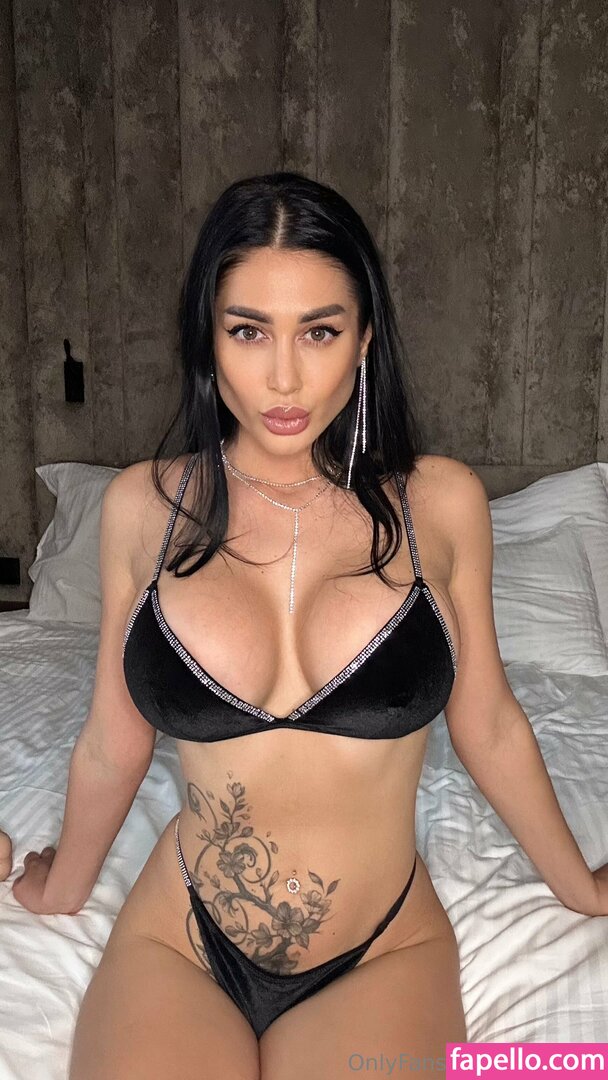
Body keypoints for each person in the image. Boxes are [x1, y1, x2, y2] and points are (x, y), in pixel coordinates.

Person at [11, 172, 607, 1079]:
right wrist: (60, 888)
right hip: (183, 935)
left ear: (364, 340)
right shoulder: (144, 507)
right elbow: (110, 739)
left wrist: (582, 889)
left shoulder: (439, 504)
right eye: (249, 330)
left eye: (319, 332)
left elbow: (488, 723)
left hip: (381, 949)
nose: (283, 378)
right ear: (209, 338)